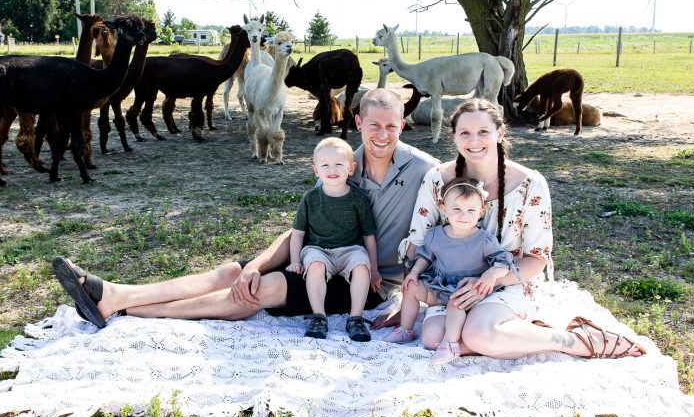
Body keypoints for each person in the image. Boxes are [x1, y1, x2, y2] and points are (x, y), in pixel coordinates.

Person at [51, 88, 438, 327]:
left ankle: (134, 312)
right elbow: (306, 225)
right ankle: (118, 295)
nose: (382, 135)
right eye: (374, 126)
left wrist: (409, 292)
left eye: (391, 126)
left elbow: (461, 214)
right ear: (358, 121)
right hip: (321, 254)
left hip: (365, 280)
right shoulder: (342, 162)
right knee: (236, 272)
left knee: (260, 290)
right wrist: (256, 262)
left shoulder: (425, 170)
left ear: (402, 126)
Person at [401, 97, 653, 359]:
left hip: (506, 282)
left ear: (499, 133)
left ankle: (578, 339)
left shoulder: (530, 184)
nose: (474, 141)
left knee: (477, 334)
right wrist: (414, 293)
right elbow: (417, 243)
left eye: (483, 132)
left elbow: (536, 259)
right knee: (433, 338)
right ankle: (513, 335)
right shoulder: (437, 179)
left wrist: (487, 283)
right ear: (454, 136)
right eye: (465, 133)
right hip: (452, 288)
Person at [384, 177, 518, 363]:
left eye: (471, 210)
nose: (464, 215)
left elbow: (504, 262)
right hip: (439, 286)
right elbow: (425, 257)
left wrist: (491, 274)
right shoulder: (435, 235)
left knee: (456, 302)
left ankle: (450, 344)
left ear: (480, 212)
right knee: (410, 287)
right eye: (457, 209)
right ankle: (405, 330)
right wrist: (414, 273)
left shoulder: (483, 240)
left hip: (466, 291)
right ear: (444, 209)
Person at [287, 137, 381, 341]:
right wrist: (295, 261)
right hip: (319, 248)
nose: (332, 169)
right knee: (316, 265)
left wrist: (373, 269)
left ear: (351, 168)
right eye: (325, 165)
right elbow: (298, 233)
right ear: (316, 170)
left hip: (350, 249)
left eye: (339, 164)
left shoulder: (359, 199)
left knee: (361, 265)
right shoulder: (310, 198)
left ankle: (356, 318)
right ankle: (318, 316)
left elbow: (368, 236)